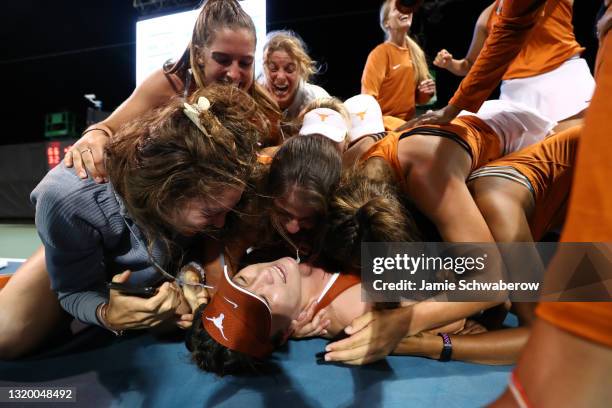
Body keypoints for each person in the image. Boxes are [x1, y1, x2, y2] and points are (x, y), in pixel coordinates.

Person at [0, 85, 264, 359]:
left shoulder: (215, 185)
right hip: (82, 244)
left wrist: (191, 273)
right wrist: (107, 314)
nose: (221, 225)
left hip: (141, 255)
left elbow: (203, 248)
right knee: (6, 337)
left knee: (175, 315)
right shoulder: (66, 198)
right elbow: (74, 290)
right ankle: (56, 253)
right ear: (166, 193)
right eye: (210, 213)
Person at [65, 0, 280, 183]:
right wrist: (93, 136)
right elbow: (106, 129)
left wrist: (267, 156)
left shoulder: (262, 105)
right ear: (198, 55)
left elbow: (280, 148)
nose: (234, 74)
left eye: (245, 63)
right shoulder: (171, 84)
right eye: (222, 59)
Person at [187, 254, 474, 376]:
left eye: (242, 280)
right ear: (287, 332)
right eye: (263, 300)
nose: (263, 276)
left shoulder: (278, 245)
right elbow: (471, 296)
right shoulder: (352, 309)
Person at [433, 0, 594, 128]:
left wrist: (454, 107)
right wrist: (450, 64)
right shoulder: (488, 15)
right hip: (516, 92)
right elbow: (470, 65)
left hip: (563, 77)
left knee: (578, 149)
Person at [361, 0, 435, 121]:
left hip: (407, 124)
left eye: (405, 8)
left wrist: (427, 92)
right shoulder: (380, 53)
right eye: (397, 9)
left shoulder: (417, 53)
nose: (404, 11)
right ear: (386, 23)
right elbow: (367, 99)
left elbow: (423, 100)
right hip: (385, 125)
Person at [260, 30, 330, 136]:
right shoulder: (253, 99)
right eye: (273, 69)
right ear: (264, 70)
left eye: (290, 69)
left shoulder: (318, 101)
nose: (281, 77)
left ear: (301, 71)